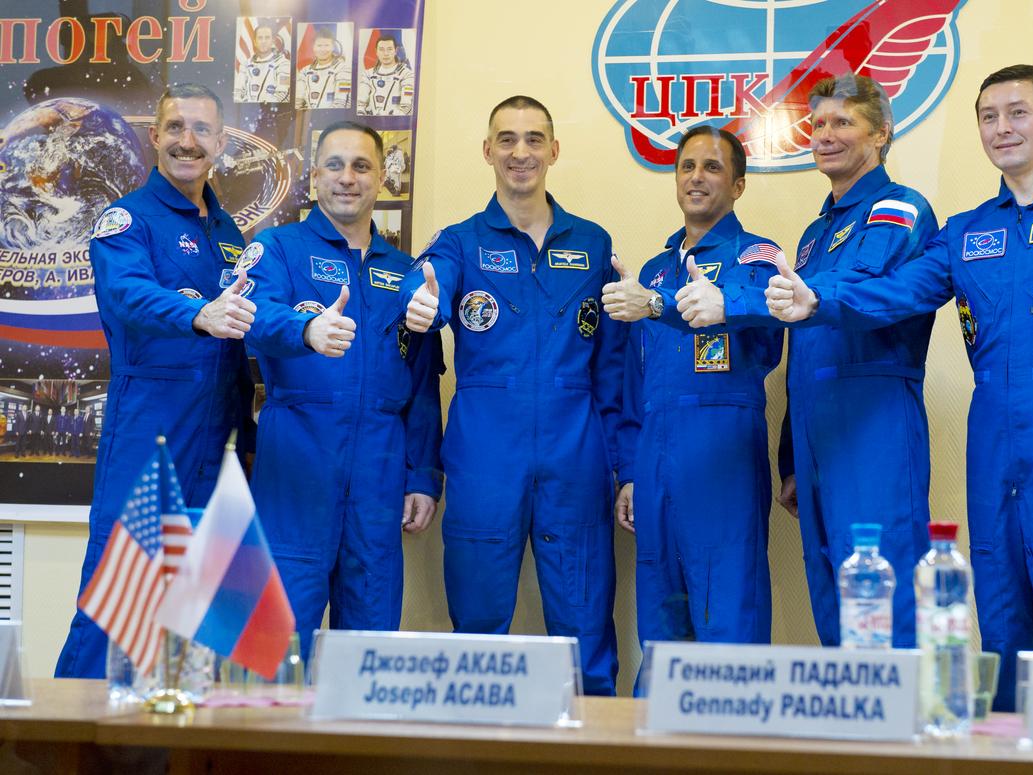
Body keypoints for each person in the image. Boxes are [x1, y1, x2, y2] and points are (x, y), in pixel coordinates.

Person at [764, 64, 1033, 712]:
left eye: (1017, 112)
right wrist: (818, 296)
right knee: (1001, 607)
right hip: (991, 429)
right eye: (988, 117)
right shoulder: (966, 231)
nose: (1002, 128)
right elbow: (900, 291)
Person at [693, 74, 938, 649]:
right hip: (818, 434)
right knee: (831, 588)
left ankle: (896, 736)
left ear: (880, 134)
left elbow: (856, 285)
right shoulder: (812, 234)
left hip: (872, 424)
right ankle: (850, 731)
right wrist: (790, 459)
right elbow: (801, 355)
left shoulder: (896, 209)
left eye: (843, 123)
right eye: (819, 123)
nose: (825, 135)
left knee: (882, 589)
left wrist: (735, 300)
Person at [402, 95, 625, 695]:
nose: (519, 152)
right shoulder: (459, 242)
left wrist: (624, 468)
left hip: (576, 454)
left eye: (533, 139)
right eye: (506, 139)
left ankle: (592, 750)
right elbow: (425, 281)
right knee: (476, 621)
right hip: (485, 457)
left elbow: (614, 369)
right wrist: (421, 299)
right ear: (487, 151)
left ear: (554, 150)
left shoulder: (595, 245)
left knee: (584, 624)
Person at [56, 83, 257, 678]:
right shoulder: (128, 219)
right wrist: (197, 313)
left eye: (200, 129)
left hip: (219, 438)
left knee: (203, 606)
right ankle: (70, 750)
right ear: (155, 137)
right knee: (121, 597)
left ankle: (175, 746)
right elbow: (125, 294)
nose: (187, 141)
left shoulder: (230, 235)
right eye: (175, 128)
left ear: (220, 143)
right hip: (152, 430)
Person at [243, 121, 444, 658]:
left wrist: (422, 476)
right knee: (276, 650)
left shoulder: (407, 273)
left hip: (379, 476)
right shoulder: (278, 249)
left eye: (361, 167)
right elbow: (251, 316)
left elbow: (423, 384)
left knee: (369, 648)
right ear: (313, 177)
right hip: (297, 468)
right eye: (334, 165)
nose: (347, 179)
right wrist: (303, 330)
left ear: (381, 179)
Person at [603, 127, 782, 664]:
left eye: (712, 167)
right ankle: (662, 745)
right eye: (686, 167)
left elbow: (768, 335)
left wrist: (664, 306)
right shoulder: (655, 270)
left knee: (727, 607)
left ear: (739, 184)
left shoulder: (758, 256)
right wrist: (632, 471)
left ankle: (733, 741)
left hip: (720, 450)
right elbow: (635, 384)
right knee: (662, 612)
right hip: (656, 456)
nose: (696, 178)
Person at [357, 33, 413, 117]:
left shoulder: (406, 74)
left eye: (389, 49)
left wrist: (390, 120)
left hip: (395, 123)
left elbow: (407, 107)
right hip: (372, 123)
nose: (386, 53)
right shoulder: (368, 74)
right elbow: (360, 104)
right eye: (381, 49)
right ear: (376, 51)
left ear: (396, 50)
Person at [296, 27, 351, 110]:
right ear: (313, 47)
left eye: (327, 45)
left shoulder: (343, 69)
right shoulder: (305, 71)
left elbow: (341, 102)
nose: (323, 49)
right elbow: (298, 101)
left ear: (333, 47)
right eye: (319, 45)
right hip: (308, 118)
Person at [234, 23, 290, 104]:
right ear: (255, 42)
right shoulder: (246, 65)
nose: (263, 41)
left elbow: (282, 94)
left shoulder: (284, 64)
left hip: (273, 111)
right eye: (260, 38)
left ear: (272, 41)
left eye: (267, 38)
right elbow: (238, 92)